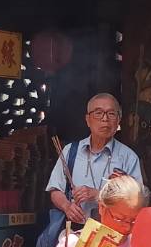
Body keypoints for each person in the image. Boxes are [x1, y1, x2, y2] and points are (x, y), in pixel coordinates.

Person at [46, 93, 143, 230]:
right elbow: (55, 189)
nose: (105, 119)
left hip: (112, 233)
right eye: (98, 113)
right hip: (75, 230)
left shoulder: (128, 157)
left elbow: (136, 199)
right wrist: (67, 207)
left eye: (111, 114)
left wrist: (99, 195)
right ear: (88, 120)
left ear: (119, 120)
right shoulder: (70, 151)